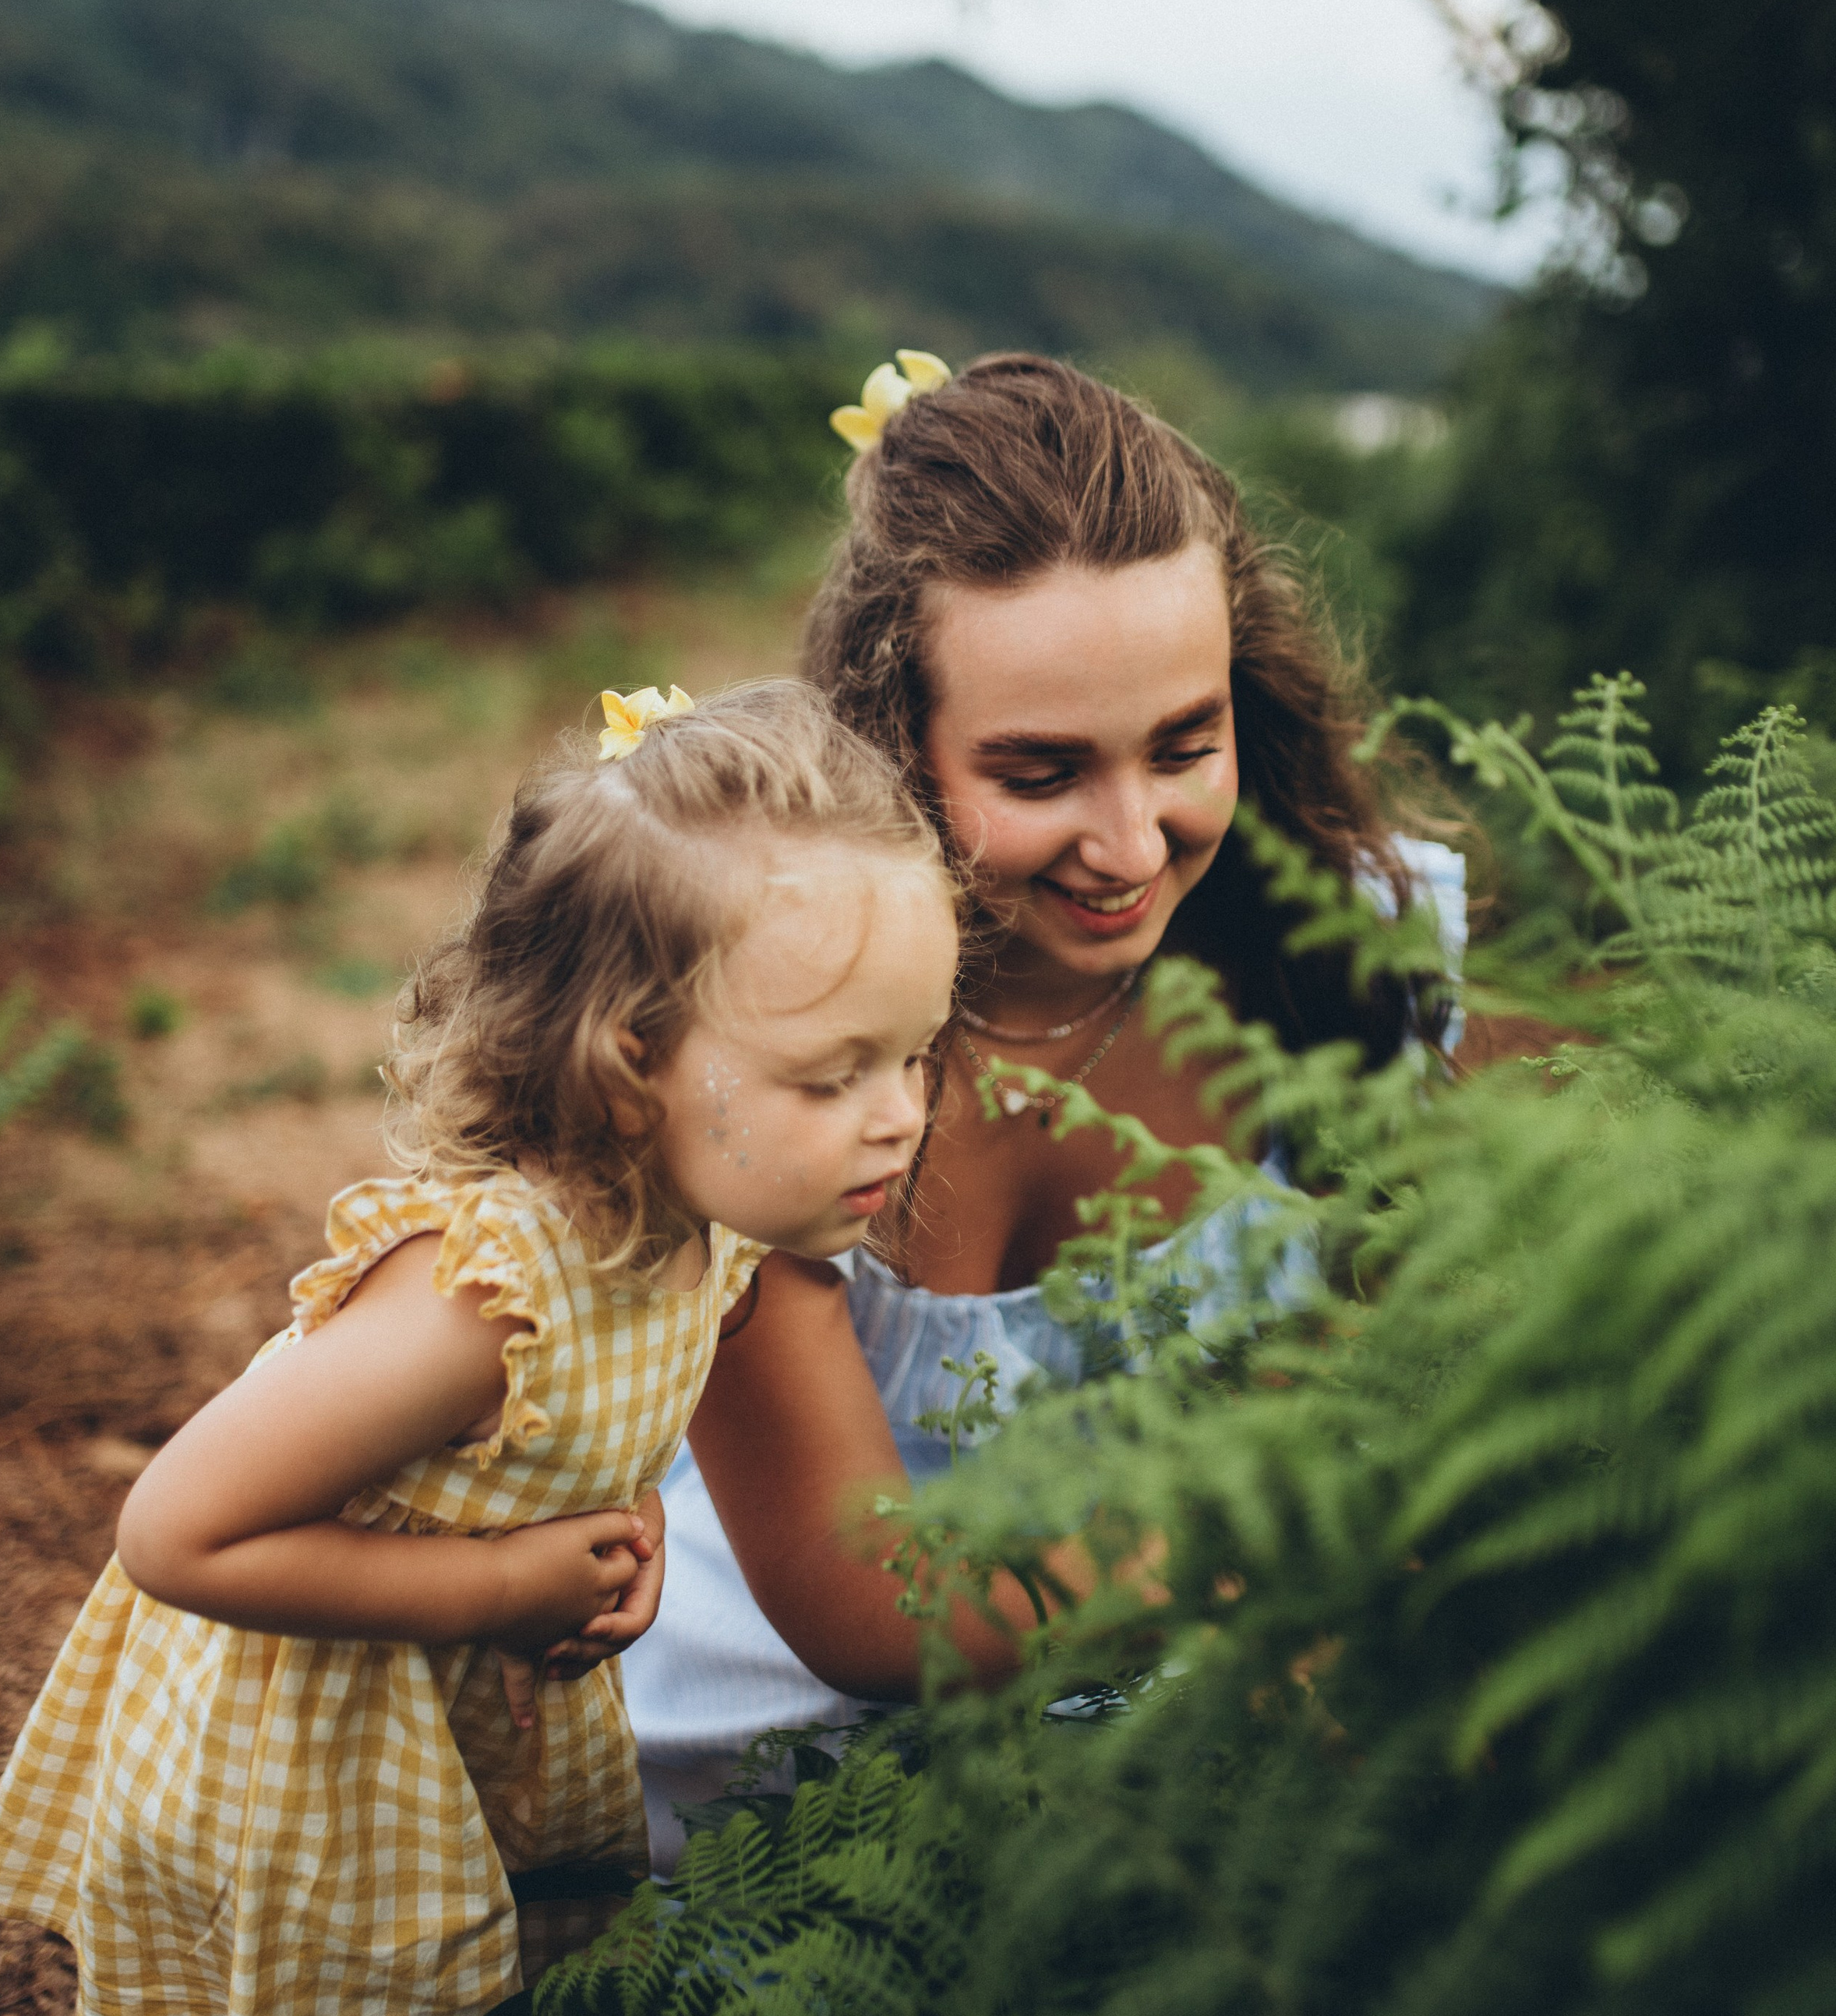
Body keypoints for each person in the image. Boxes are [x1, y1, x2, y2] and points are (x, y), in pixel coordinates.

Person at [0, 680, 959, 2016]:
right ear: (633, 1062)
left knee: (282, 2001)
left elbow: (577, 1455)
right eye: (833, 1071)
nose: (898, 1114)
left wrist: (617, 1544)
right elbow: (176, 1523)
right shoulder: (478, 1297)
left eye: (916, 1054)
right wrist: (498, 1585)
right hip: (322, 1717)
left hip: (427, 1726)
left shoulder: (701, 1236)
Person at [623, 351, 1467, 1859]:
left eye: (1184, 745)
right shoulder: (772, 1023)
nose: (1131, 842)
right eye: (1039, 771)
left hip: (1195, 1774)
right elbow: (876, 1616)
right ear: (895, 741)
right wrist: (1268, 1534)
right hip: (784, 1805)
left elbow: (1370, 1373)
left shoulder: (1345, 958)